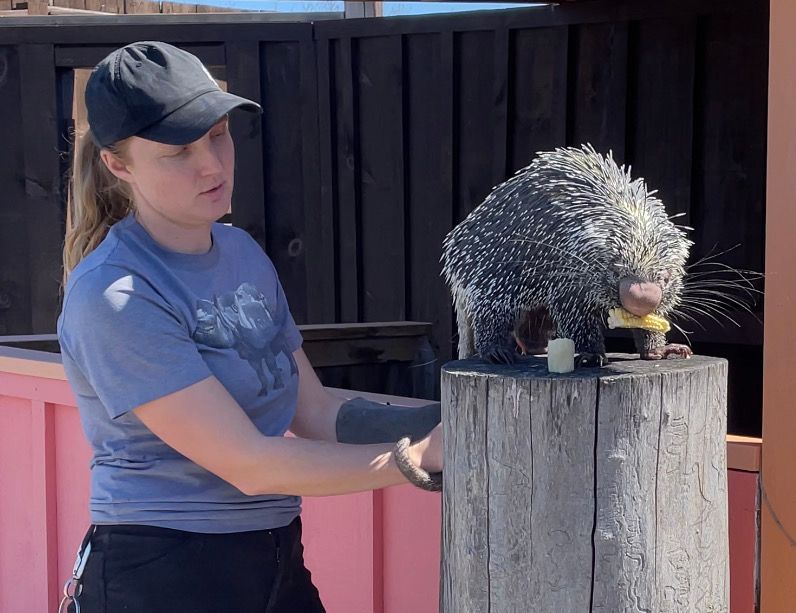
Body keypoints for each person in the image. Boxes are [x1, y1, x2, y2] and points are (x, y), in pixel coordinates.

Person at [57, 41, 443, 613]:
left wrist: (461, 419)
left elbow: (313, 411)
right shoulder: (115, 294)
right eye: (178, 151)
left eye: (217, 134)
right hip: (162, 571)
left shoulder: (241, 252)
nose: (211, 164)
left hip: (275, 557)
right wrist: (419, 458)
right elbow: (248, 464)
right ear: (118, 164)